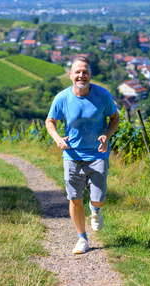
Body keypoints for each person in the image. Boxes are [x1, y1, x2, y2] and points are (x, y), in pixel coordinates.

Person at [45, 56, 120, 254]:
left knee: (98, 199)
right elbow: (49, 121)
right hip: (71, 155)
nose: (81, 75)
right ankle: (82, 239)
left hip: (98, 154)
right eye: (77, 72)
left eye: (85, 72)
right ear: (70, 75)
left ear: (90, 75)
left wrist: (106, 134)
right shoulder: (62, 98)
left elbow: (115, 118)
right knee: (74, 198)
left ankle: (95, 209)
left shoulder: (102, 95)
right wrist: (57, 139)